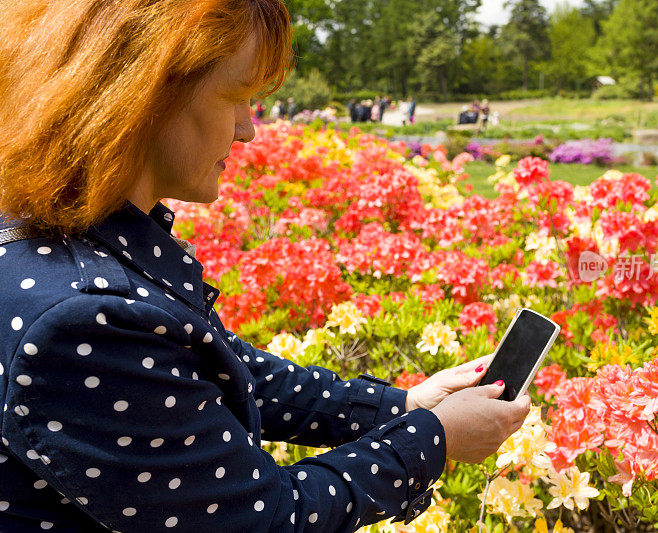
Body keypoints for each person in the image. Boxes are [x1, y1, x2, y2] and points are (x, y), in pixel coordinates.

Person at [0, 1, 531, 532]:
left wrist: (403, 404)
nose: (248, 129)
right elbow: (266, 518)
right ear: (145, 95)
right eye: (236, 98)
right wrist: (432, 440)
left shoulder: (57, 231)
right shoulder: (82, 317)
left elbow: (201, 372)